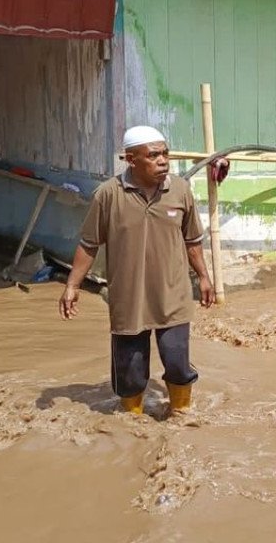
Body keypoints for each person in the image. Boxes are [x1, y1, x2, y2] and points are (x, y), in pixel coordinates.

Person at [59, 125, 216, 417]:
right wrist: (72, 286)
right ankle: (131, 425)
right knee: (130, 372)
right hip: (128, 298)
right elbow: (89, 243)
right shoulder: (108, 195)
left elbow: (192, 240)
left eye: (166, 154)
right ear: (131, 159)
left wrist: (204, 277)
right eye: (154, 155)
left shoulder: (180, 190)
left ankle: (181, 416)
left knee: (178, 362)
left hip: (173, 295)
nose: (163, 161)